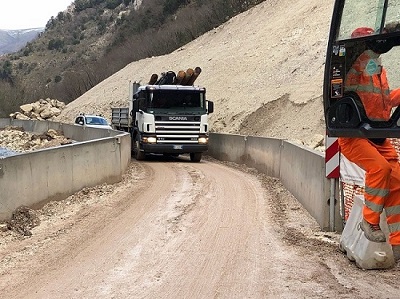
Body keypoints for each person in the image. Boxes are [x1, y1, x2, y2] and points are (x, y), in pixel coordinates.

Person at [338, 27, 400, 260]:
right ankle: (369, 221)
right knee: (380, 169)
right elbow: (365, 60)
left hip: (378, 133)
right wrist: (381, 40)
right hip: (356, 136)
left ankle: (398, 241)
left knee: (396, 180)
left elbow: (383, 101)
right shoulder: (354, 67)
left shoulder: (378, 71)